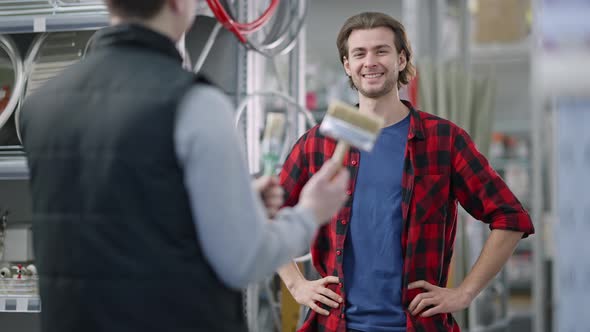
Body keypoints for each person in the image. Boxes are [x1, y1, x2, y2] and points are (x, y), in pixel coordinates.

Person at [17, 1, 350, 331]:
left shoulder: (41, 106)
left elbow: (116, 215)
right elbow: (243, 261)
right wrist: (309, 212)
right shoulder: (194, 102)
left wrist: (231, 203)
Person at [277, 12, 535, 332]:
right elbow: (267, 214)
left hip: (419, 325)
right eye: (359, 53)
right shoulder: (320, 142)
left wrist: (465, 293)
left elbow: (510, 217)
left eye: (381, 51)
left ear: (401, 59)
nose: (370, 61)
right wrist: (296, 285)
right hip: (335, 325)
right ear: (347, 65)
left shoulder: (443, 139)